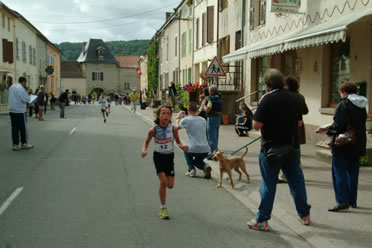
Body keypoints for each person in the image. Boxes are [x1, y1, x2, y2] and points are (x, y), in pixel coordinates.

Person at [247, 68, 311, 231]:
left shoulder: (267, 99)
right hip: (292, 147)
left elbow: (256, 124)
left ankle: (262, 220)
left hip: (271, 148)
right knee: (296, 182)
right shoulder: (295, 98)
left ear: (267, 85)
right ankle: (304, 215)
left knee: (269, 184)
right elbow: (299, 123)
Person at [325, 82, 367, 211]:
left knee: (339, 173)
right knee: (353, 173)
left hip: (343, 143)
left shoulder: (344, 104)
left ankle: (342, 201)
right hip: (358, 142)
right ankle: (352, 200)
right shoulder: (362, 106)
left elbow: (339, 124)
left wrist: (328, 131)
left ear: (344, 92)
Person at [141, 105, 188, 219]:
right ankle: (163, 208)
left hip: (169, 157)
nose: (165, 116)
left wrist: (182, 147)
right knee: (163, 182)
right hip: (158, 157)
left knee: (170, 185)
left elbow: (178, 142)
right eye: (163, 113)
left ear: (171, 116)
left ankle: (163, 204)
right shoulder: (153, 130)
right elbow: (146, 142)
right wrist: (144, 150)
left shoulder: (173, 129)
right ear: (158, 116)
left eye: (168, 114)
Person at [279, 75, 309, 183]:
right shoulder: (300, 96)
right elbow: (305, 111)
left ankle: (286, 175)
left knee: (286, 150)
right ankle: (297, 174)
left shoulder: (284, 96)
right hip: (298, 126)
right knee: (296, 150)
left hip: (287, 126)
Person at [175, 102, 212, 178]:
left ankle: (191, 169)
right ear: (197, 109)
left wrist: (178, 118)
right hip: (205, 148)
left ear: (188, 110)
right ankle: (205, 166)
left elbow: (176, 128)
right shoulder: (203, 120)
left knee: (185, 150)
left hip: (193, 148)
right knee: (198, 161)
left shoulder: (186, 120)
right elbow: (194, 122)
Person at [8, 76, 33, 151]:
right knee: (23, 128)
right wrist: (29, 97)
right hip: (20, 110)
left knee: (14, 128)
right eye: (26, 82)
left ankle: (15, 144)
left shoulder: (12, 87)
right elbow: (26, 99)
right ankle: (24, 143)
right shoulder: (21, 89)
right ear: (24, 81)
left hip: (12, 110)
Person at [204, 85, 222, 159]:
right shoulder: (219, 97)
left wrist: (204, 106)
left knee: (211, 136)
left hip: (211, 118)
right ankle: (216, 152)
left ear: (210, 91)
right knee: (216, 136)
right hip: (218, 118)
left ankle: (212, 153)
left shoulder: (210, 99)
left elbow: (208, 109)